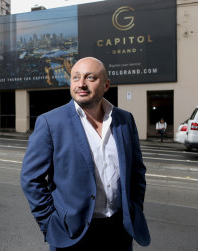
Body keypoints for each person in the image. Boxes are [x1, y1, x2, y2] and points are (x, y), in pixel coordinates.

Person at [20, 57, 150, 250]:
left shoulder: (125, 120)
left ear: (106, 85)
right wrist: (49, 222)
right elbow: (31, 179)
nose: (81, 84)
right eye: (75, 78)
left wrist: (134, 208)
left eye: (90, 78)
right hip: (72, 233)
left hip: (118, 231)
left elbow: (136, 172)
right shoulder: (50, 123)